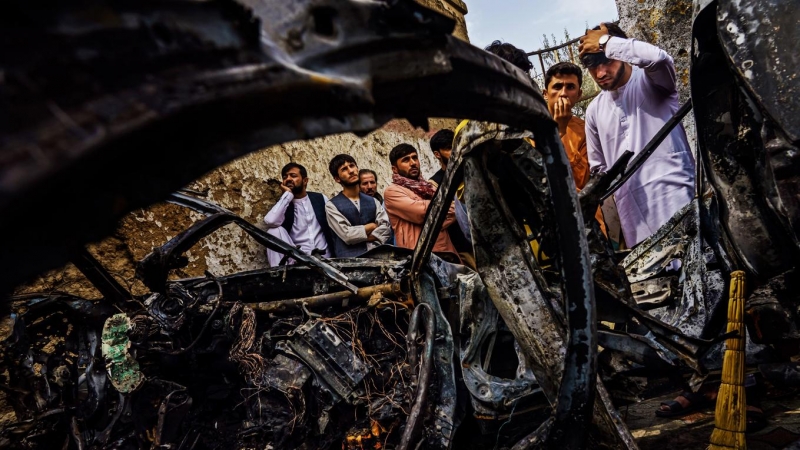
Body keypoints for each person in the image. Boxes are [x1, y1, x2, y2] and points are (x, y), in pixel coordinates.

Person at [579, 23, 695, 247]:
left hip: (677, 201)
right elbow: (599, 172)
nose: (601, 73)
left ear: (619, 51)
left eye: (607, 61)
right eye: (593, 67)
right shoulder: (594, 111)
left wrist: (604, 42)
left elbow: (659, 59)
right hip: (634, 221)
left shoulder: (651, 81)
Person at [542, 61, 607, 234]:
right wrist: (557, 130)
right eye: (557, 87)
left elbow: (581, 181)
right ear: (545, 93)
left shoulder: (586, 129)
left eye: (570, 87)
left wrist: (561, 130)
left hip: (586, 221)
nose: (563, 93)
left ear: (578, 94)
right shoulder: (531, 127)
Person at [383, 144, 458, 258]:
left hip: (446, 252)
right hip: (418, 258)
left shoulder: (429, 187)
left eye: (414, 157)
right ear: (395, 169)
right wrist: (440, 214)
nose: (413, 163)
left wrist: (438, 216)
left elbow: (455, 211)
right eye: (406, 160)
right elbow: (422, 213)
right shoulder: (392, 192)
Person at [263, 163, 332, 266]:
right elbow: (270, 221)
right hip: (298, 260)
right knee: (274, 231)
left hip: (325, 258)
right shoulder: (284, 204)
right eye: (285, 177)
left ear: (305, 181)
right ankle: (280, 275)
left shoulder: (320, 198)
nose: (288, 179)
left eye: (293, 176)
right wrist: (288, 195)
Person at [326, 154, 392, 257]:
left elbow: (386, 229)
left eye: (352, 166)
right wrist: (372, 226)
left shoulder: (373, 201)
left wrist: (359, 235)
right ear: (337, 179)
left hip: (376, 260)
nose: (351, 171)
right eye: (344, 169)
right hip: (349, 265)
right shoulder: (331, 206)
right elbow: (347, 236)